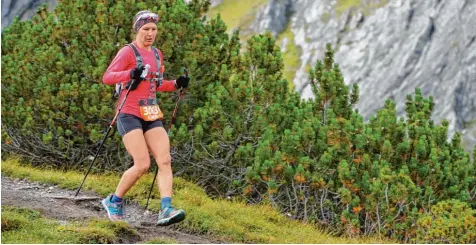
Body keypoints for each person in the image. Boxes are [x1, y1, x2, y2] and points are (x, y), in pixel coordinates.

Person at [101, 10, 189, 226]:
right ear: (137, 30)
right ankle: (114, 201)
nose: (150, 33)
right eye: (145, 29)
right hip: (128, 113)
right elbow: (107, 77)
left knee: (165, 160)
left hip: (150, 112)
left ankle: (166, 208)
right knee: (142, 164)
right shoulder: (127, 52)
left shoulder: (157, 54)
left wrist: (176, 83)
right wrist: (129, 73)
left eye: (154, 29)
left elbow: (157, 84)